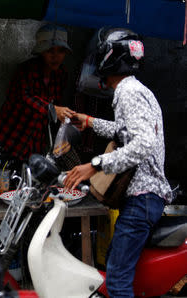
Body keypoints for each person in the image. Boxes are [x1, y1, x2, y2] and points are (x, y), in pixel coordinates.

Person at [64, 29, 172, 297]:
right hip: (143, 199)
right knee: (116, 270)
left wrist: (95, 164)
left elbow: (143, 144)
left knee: (117, 281)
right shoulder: (134, 88)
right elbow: (127, 132)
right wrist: (90, 122)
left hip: (142, 199)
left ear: (109, 58)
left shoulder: (129, 92)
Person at [0, 23, 76, 172]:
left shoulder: (61, 74)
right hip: (9, 138)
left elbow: (56, 106)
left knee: (26, 186)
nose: (56, 56)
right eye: (50, 51)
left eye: (60, 51)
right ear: (41, 52)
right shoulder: (27, 70)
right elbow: (25, 98)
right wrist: (53, 109)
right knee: (2, 186)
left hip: (33, 142)